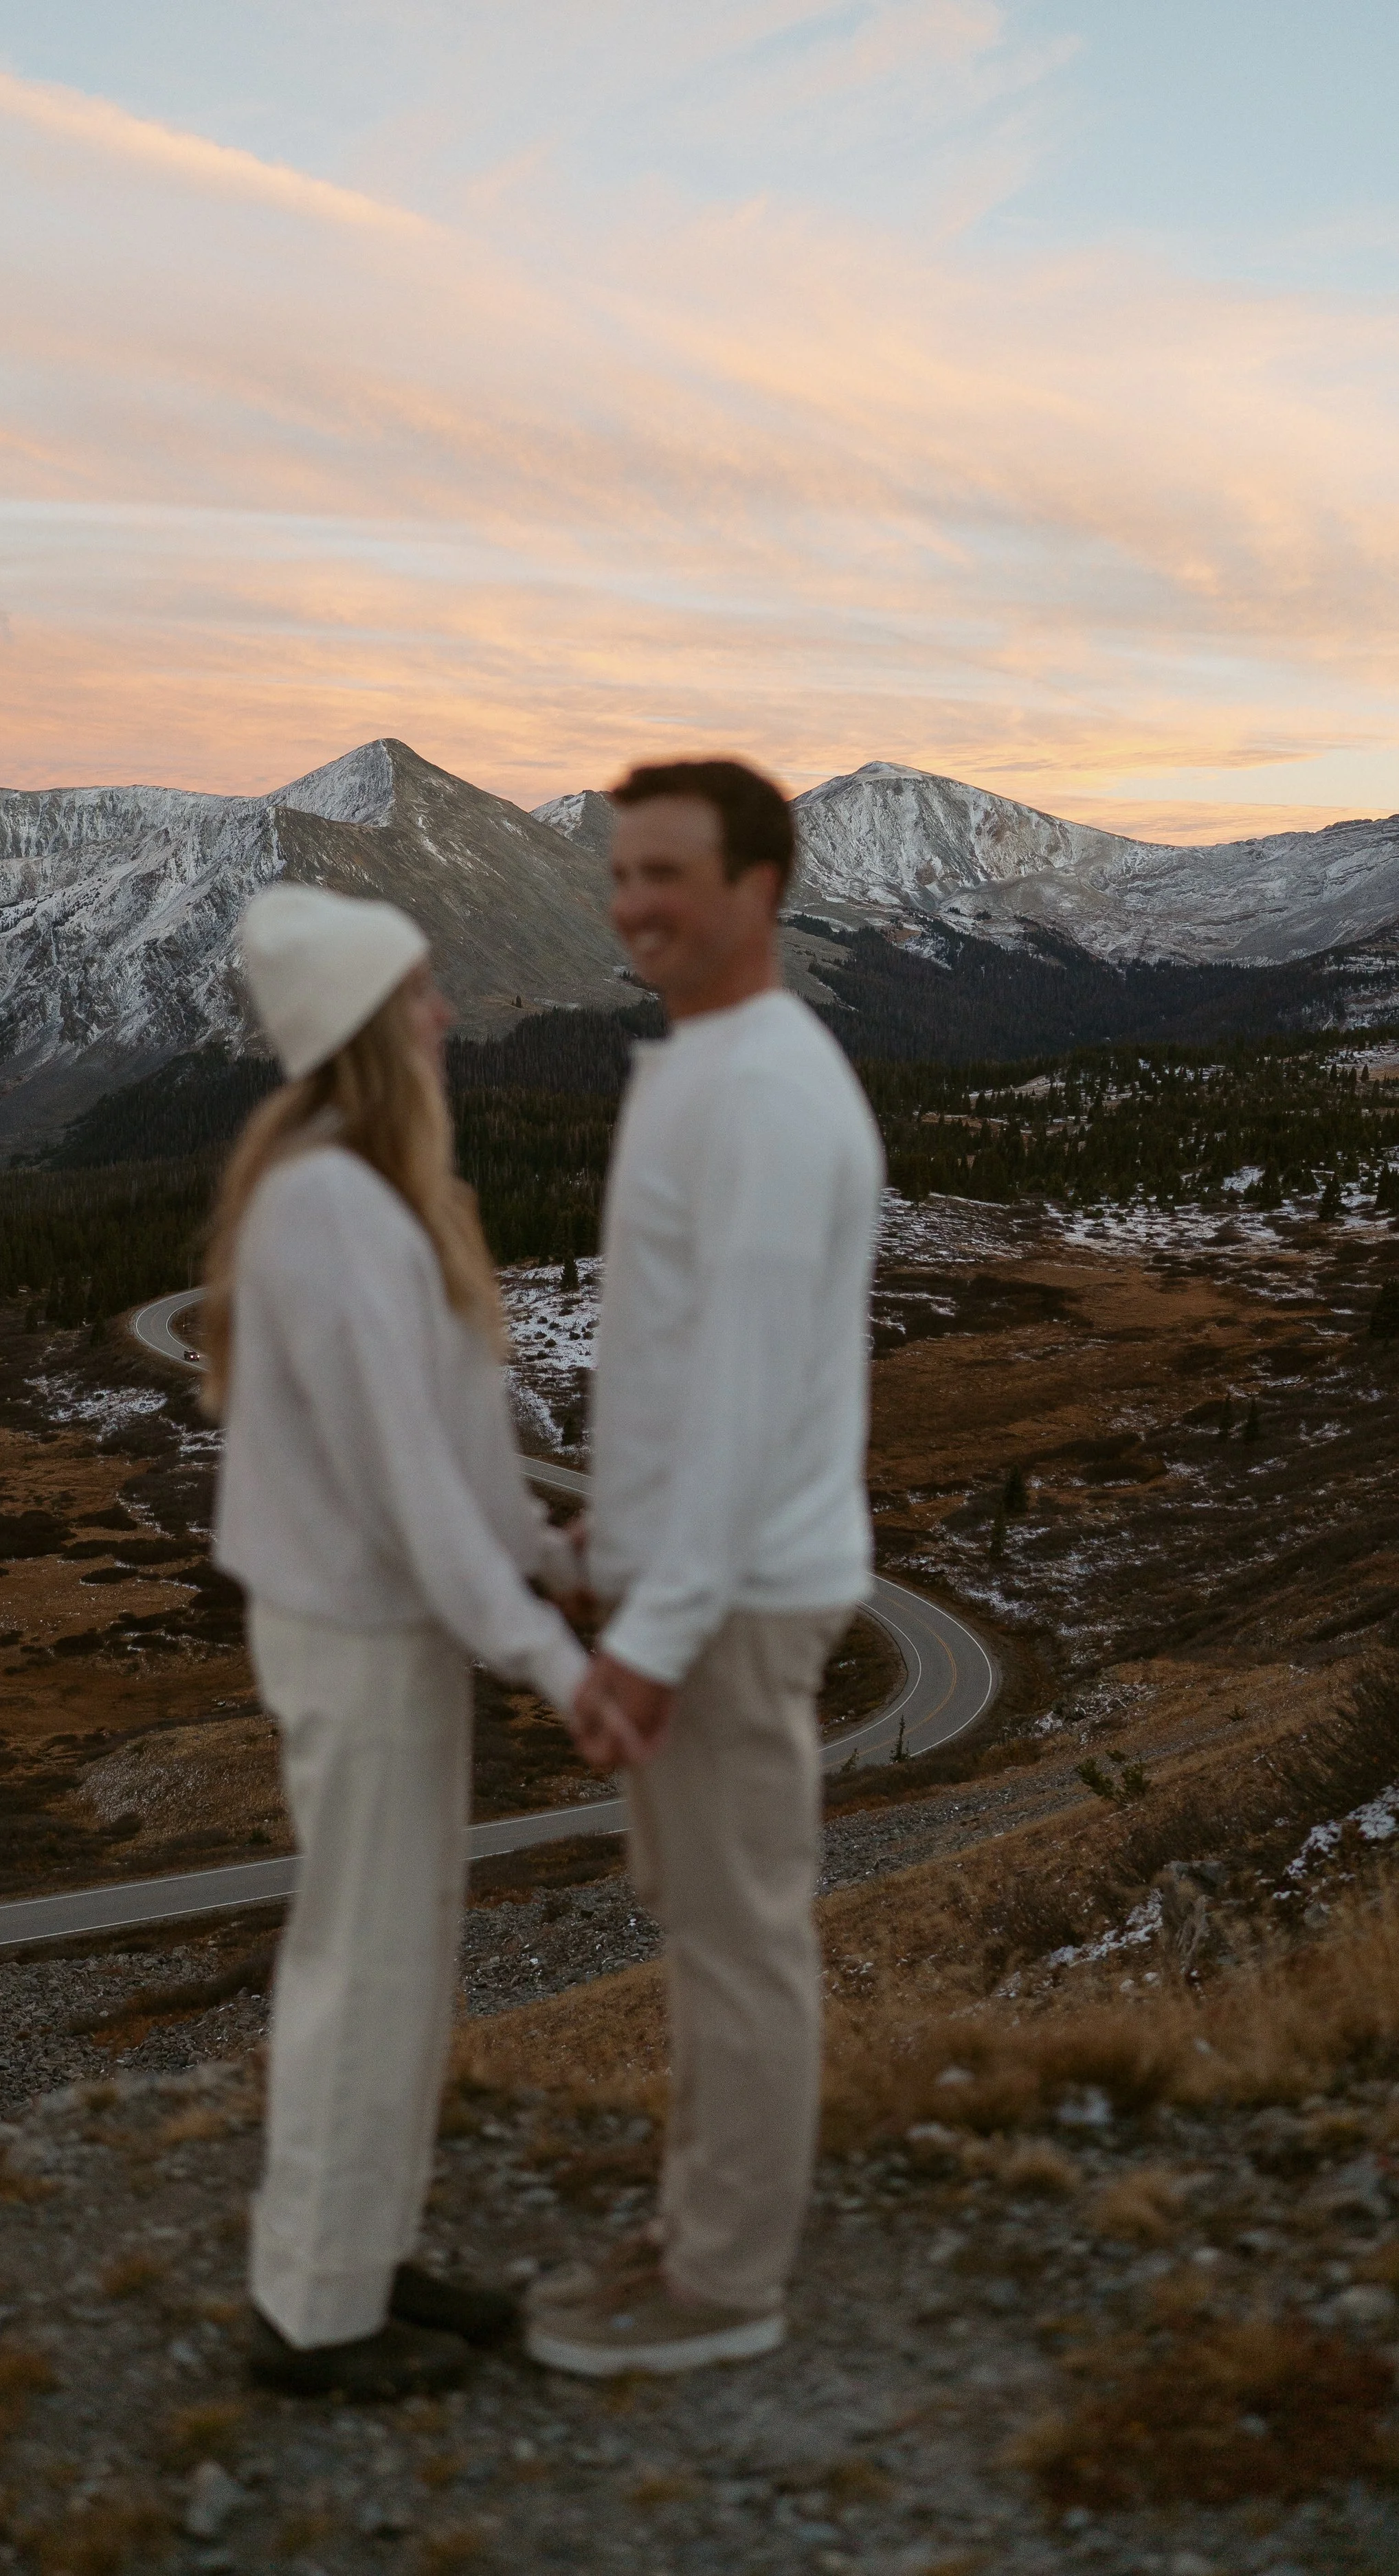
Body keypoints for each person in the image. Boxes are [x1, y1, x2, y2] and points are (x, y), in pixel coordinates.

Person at [201, 883, 590, 2402]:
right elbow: (403, 1482)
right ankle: (311, 2316)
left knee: (397, 1962)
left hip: (388, 1633)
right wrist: (545, 1656)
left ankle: (355, 2256)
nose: (445, 1017)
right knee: (361, 1964)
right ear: (368, 1027)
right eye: (419, 995)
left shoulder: (353, 1189)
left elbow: (453, 1443)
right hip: (361, 1641)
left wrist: (543, 1558)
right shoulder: (330, 1209)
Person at [527, 759, 884, 2379]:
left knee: (739, 1936)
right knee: (702, 1920)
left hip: (735, 1594)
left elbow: (743, 1397)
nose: (633, 905)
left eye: (667, 873)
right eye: (621, 873)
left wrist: (655, 1632)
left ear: (760, 889)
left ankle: (723, 2287)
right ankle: (697, 2226)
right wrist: (614, 1522)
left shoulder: (760, 1091)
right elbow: (673, 1355)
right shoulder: (707, 1061)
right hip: (693, 1569)